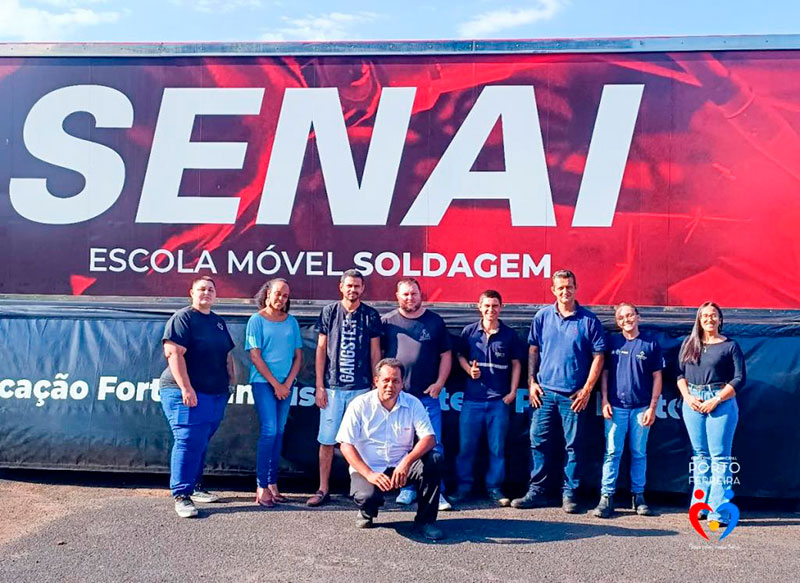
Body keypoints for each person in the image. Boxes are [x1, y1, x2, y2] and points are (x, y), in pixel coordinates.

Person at [512, 269, 606, 513]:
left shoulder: (588, 320)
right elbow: (533, 350)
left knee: (573, 446)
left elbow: (599, 356)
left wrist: (587, 390)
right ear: (553, 290)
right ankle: (538, 491)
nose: (565, 291)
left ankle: (570, 493)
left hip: (573, 396)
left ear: (576, 288)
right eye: (560, 287)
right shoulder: (543, 316)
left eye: (569, 287)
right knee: (538, 443)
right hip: (544, 394)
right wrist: (531, 382)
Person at [337, 358, 444, 540]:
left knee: (434, 459)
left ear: (402, 383)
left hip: (401, 465)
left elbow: (429, 438)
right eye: (385, 380)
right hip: (368, 468)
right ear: (376, 381)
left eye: (395, 381)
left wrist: (406, 462)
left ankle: (425, 521)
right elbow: (345, 444)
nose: (390, 385)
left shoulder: (413, 403)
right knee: (366, 496)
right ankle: (367, 511)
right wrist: (370, 474)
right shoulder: (360, 404)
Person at [159, 276, 236, 518]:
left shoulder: (218, 322)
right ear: (191, 292)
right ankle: (181, 495)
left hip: (215, 393)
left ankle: (197, 486)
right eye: (201, 288)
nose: (206, 292)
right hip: (183, 391)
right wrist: (186, 388)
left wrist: (231, 381)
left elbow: (227, 354)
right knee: (188, 439)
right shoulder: (183, 318)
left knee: (200, 439)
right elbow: (173, 354)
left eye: (211, 289)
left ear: (216, 295)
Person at [307, 269, 382, 507]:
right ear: (341, 287)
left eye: (357, 286)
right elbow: (320, 350)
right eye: (349, 285)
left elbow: (375, 352)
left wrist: (375, 383)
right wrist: (319, 386)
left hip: (361, 389)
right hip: (332, 388)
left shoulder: (371, 315)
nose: (353, 290)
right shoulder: (329, 312)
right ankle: (323, 489)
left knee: (360, 442)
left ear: (363, 289)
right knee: (327, 441)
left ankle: (360, 490)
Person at [381, 278, 453, 511]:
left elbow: (446, 355)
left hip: (426, 397)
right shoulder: (387, 322)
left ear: (421, 295)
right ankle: (407, 488)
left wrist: (440, 383)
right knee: (403, 445)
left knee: (434, 445)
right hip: (398, 398)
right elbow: (378, 355)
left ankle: (437, 492)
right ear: (397, 296)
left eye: (413, 294)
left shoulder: (434, 322)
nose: (409, 298)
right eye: (405, 294)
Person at [592, 302, 664, 518]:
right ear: (617, 321)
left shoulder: (650, 344)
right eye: (621, 317)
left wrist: (652, 407)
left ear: (638, 317)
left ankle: (639, 497)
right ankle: (606, 498)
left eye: (630, 315)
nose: (626, 320)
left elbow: (657, 377)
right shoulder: (613, 342)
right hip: (616, 408)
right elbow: (603, 374)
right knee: (612, 453)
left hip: (641, 408)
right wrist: (604, 400)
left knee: (639, 453)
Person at [677, 301, 745, 526]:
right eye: (704, 315)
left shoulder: (730, 346)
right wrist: (687, 397)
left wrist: (716, 399)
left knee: (720, 458)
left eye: (713, 315)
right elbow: (679, 374)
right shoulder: (689, 344)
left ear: (720, 319)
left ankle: (719, 512)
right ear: (698, 319)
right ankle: (700, 507)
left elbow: (739, 378)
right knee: (700, 456)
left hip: (721, 402)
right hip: (693, 402)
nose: (709, 319)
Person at [454, 290, 523, 507]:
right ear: (479, 307)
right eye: (487, 306)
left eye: (495, 306)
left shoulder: (509, 335)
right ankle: (464, 487)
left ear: (501, 307)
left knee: (497, 449)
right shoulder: (469, 332)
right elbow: (459, 355)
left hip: (498, 402)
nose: (490, 310)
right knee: (466, 448)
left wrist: (512, 392)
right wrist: (468, 370)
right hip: (472, 401)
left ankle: (494, 488)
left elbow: (516, 364)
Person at [245, 278, 303, 508]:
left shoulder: (292, 322)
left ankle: (273, 483)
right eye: (278, 294)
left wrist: (287, 383)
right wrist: (275, 384)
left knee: (279, 431)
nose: (281, 299)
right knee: (269, 430)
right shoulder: (256, 320)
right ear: (267, 293)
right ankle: (261, 486)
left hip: (286, 385)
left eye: (285, 296)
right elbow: (255, 356)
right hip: (263, 383)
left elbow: (298, 357)